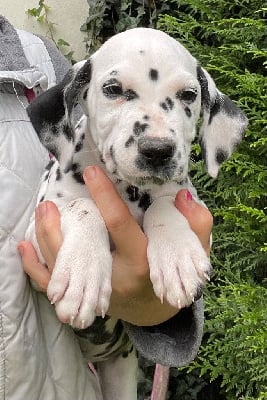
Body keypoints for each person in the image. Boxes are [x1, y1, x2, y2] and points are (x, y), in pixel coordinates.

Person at [0, 14, 212, 400]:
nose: (157, 137)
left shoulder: (39, 62)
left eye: (184, 96)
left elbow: (171, 297)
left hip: (94, 370)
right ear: (72, 103)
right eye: (117, 89)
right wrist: (84, 220)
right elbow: (43, 226)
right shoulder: (67, 132)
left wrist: (157, 301)